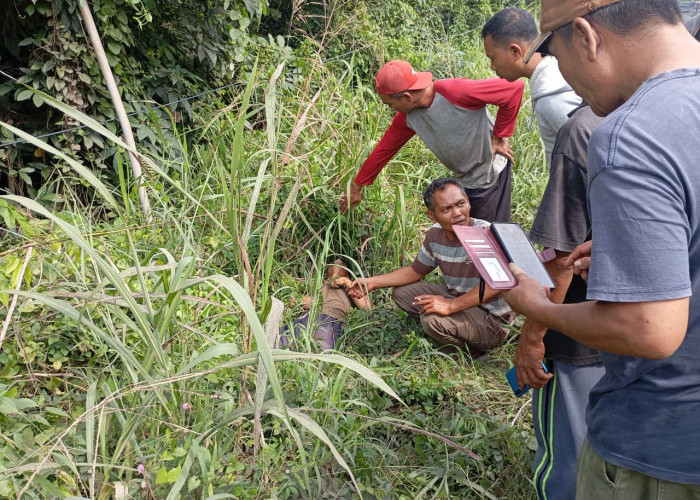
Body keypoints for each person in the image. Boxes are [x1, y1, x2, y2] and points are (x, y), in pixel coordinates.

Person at [502, 0, 700, 497]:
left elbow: (649, 329)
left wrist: (536, 306)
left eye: (555, 54)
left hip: (660, 448)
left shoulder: (629, 133)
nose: (566, 78)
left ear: (587, 37)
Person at [516, 103, 605, 500]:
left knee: (567, 452)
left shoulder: (582, 129)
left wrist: (534, 335)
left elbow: (562, 259)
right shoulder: (677, 112)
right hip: (656, 334)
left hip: (577, 337)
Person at [339, 60, 524, 223]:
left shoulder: (455, 91)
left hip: (490, 170)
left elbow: (513, 89)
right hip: (464, 177)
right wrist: (357, 185)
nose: (391, 108)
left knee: (490, 236)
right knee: (467, 235)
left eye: (389, 103)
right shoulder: (408, 117)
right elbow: (384, 149)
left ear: (406, 97)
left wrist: (500, 135)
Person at [348, 178, 513, 358]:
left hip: (492, 320)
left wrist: (450, 305)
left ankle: (470, 352)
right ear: (432, 215)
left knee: (431, 320)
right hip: (462, 303)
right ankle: (454, 330)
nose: (457, 213)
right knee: (402, 294)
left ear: (469, 202)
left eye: (461, 204)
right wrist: (372, 282)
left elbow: (498, 284)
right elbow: (415, 271)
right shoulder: (435, 235)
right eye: (446, 209)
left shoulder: (484, 234)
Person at [482, 7, 581, 167]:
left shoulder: (552, 100)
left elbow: (592, 153)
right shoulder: (559, 68)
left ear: (515, 51)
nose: (492, 67)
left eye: (493, 58)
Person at [279, 259, 370, 350]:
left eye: (342, 264)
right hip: (308, 317)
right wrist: (306, 301)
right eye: (333, 263)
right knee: (279, 343)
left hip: (331, 321)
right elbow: (290, 300)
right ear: (326, 274)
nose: (337, 262)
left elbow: (367, 308)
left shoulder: (351, 287)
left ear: (348, 273)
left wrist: (347, 282)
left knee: (319, 353)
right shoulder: (316, 282)